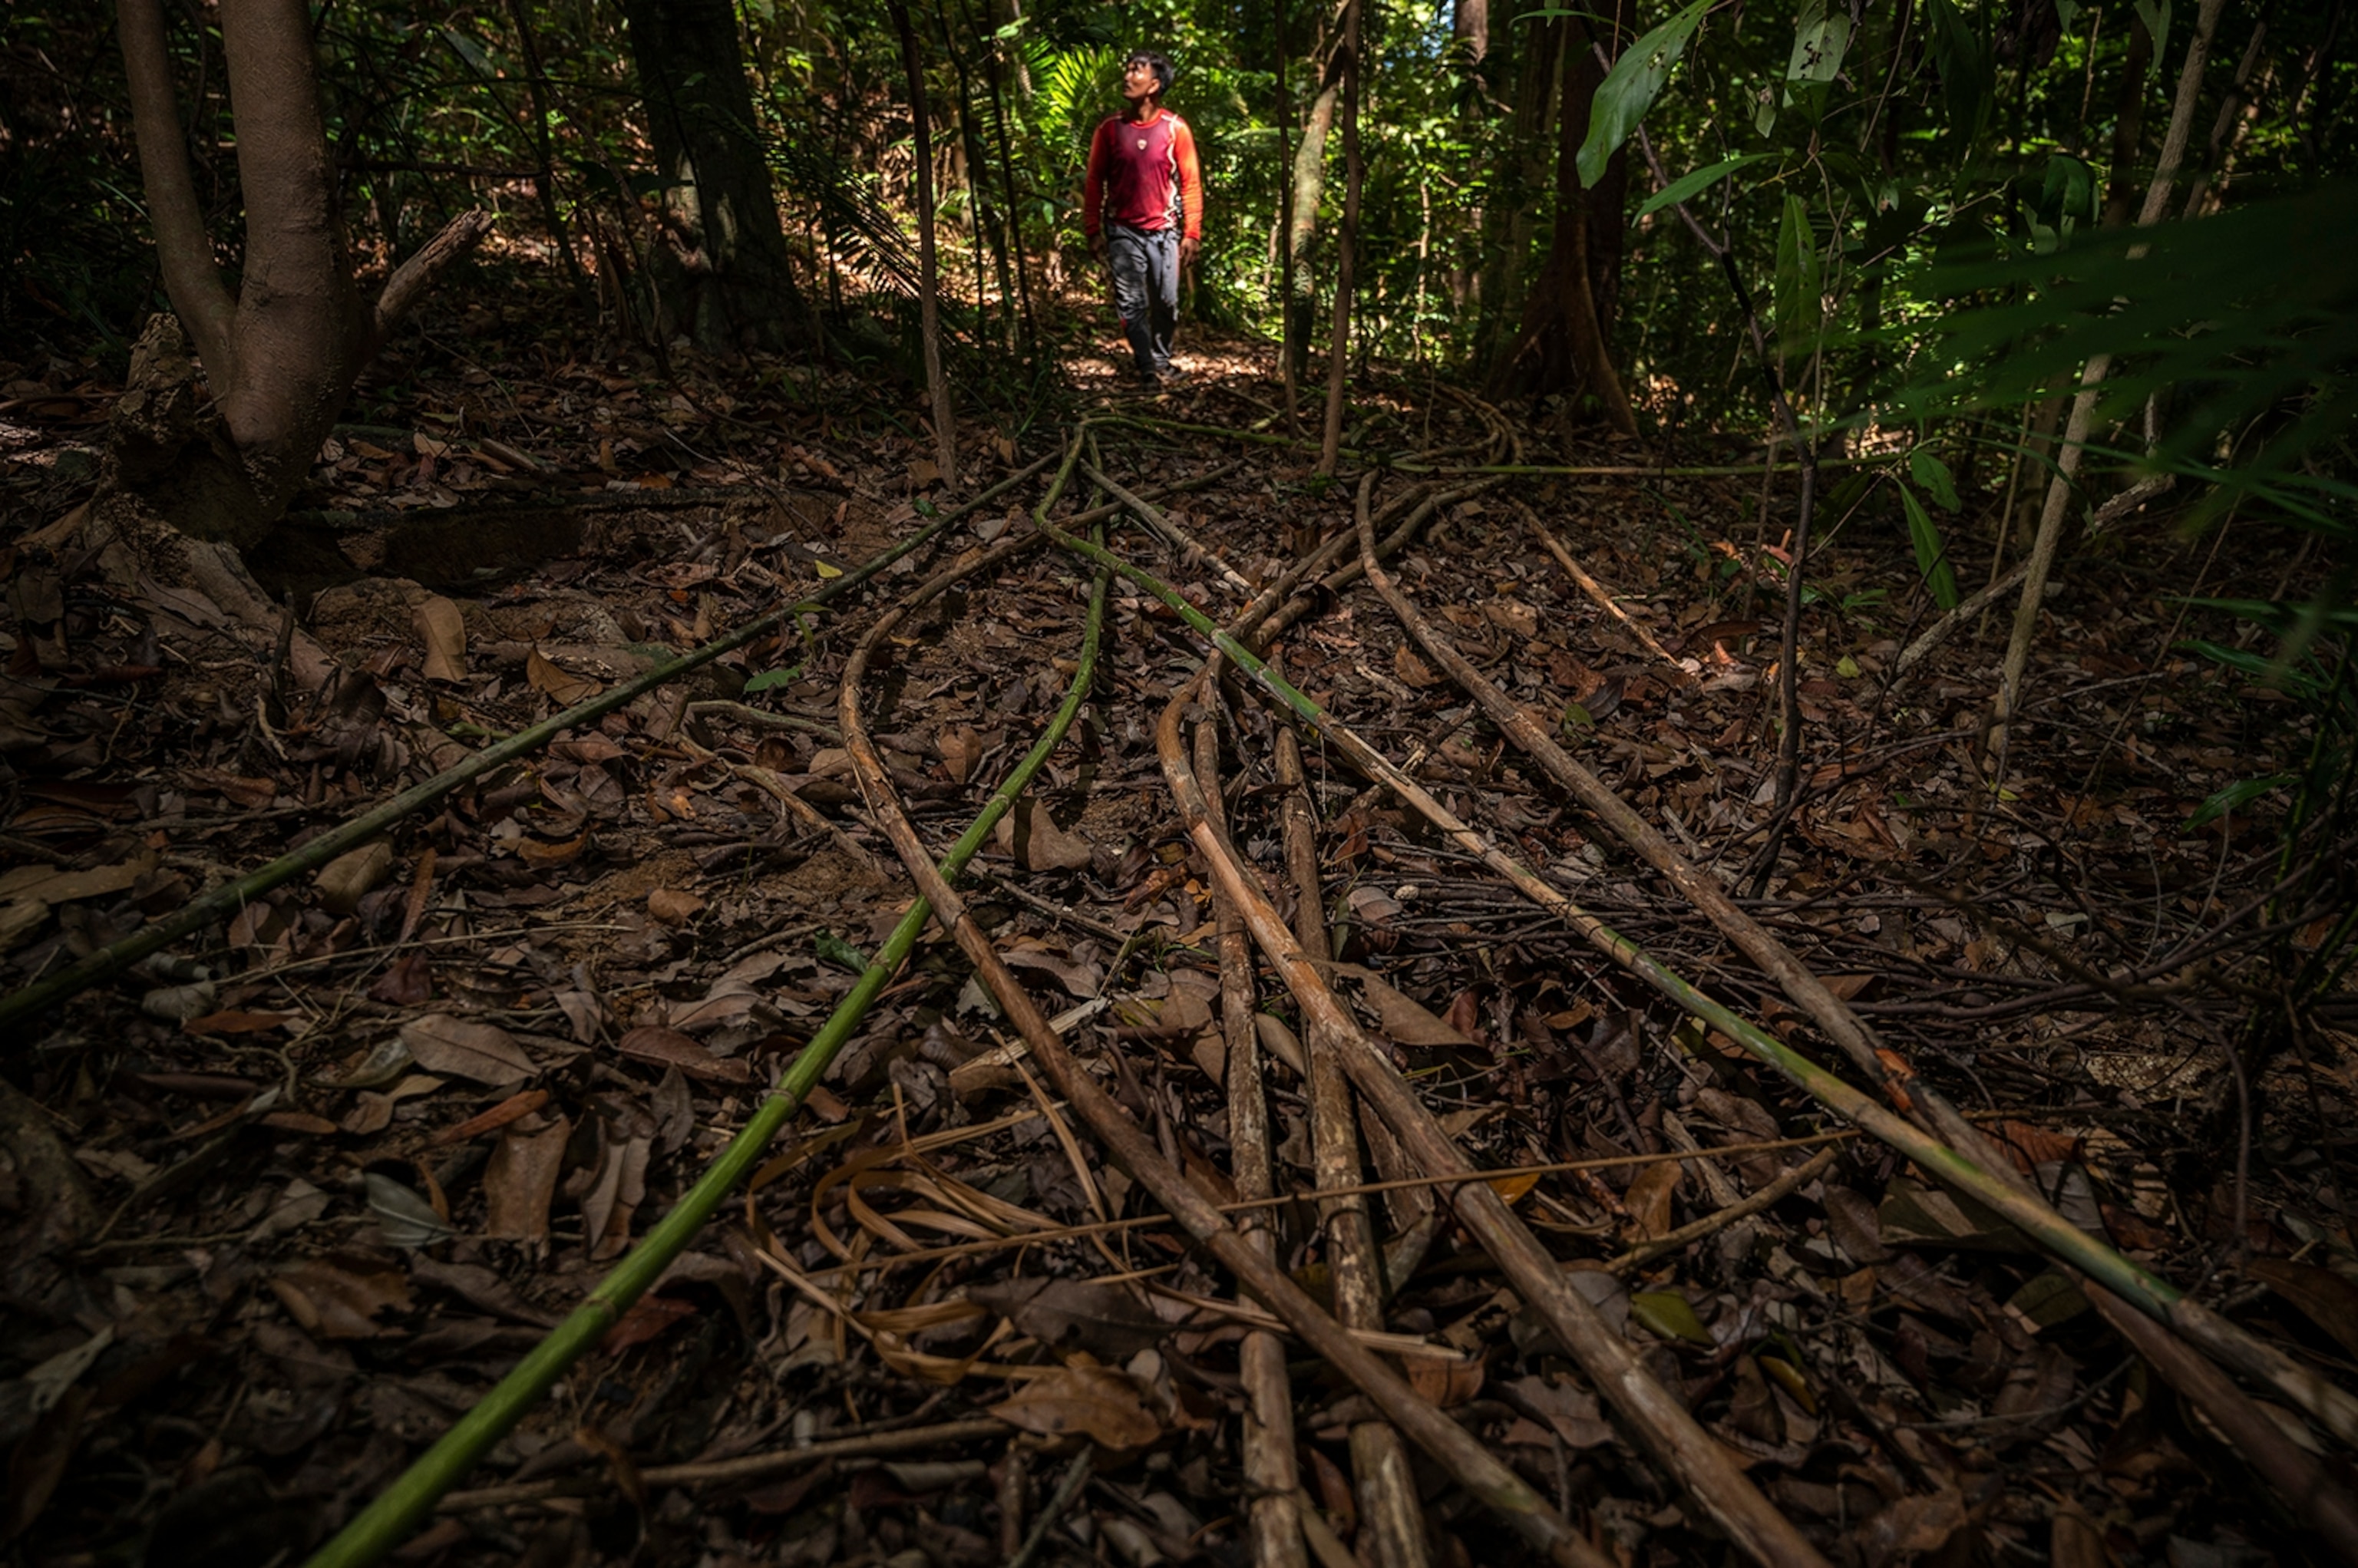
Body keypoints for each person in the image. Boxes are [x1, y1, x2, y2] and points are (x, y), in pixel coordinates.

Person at [1082, 51, 1203, 387]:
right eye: (1127, 70)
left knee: (1167, 302)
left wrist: (1192, 232)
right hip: (1122, 232)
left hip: (1164, 233)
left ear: (1154, 85)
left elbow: (1191, 182)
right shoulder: (1109, 129)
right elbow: (1094, 181)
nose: (1127, 77)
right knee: (1132, 302)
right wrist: (1093, 230)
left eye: (1136, 72)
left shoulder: (1175, 129)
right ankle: (1147, 367)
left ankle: (1161, 358)